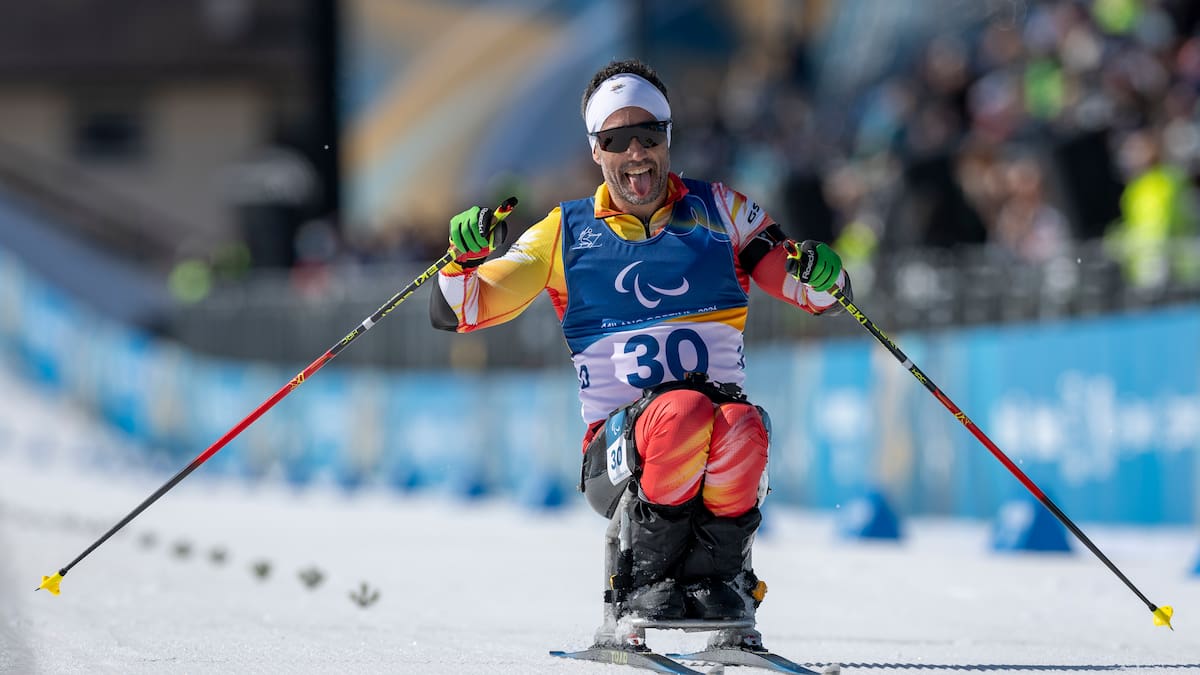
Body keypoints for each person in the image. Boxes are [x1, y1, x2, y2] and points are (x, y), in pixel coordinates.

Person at [430, 58, 850, 647]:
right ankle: (641, 584)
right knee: (683, 412)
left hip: (712, 438)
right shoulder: (565, 233)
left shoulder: (721, 212)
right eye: (616, 140)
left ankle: (720, 583)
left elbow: (807, 288)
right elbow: (461, 310)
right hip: (619, 459)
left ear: (668, 138)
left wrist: (825, 274)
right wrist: (462, 259)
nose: (636, 154)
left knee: (743, 425)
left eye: (648, 135)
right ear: (596, 150)